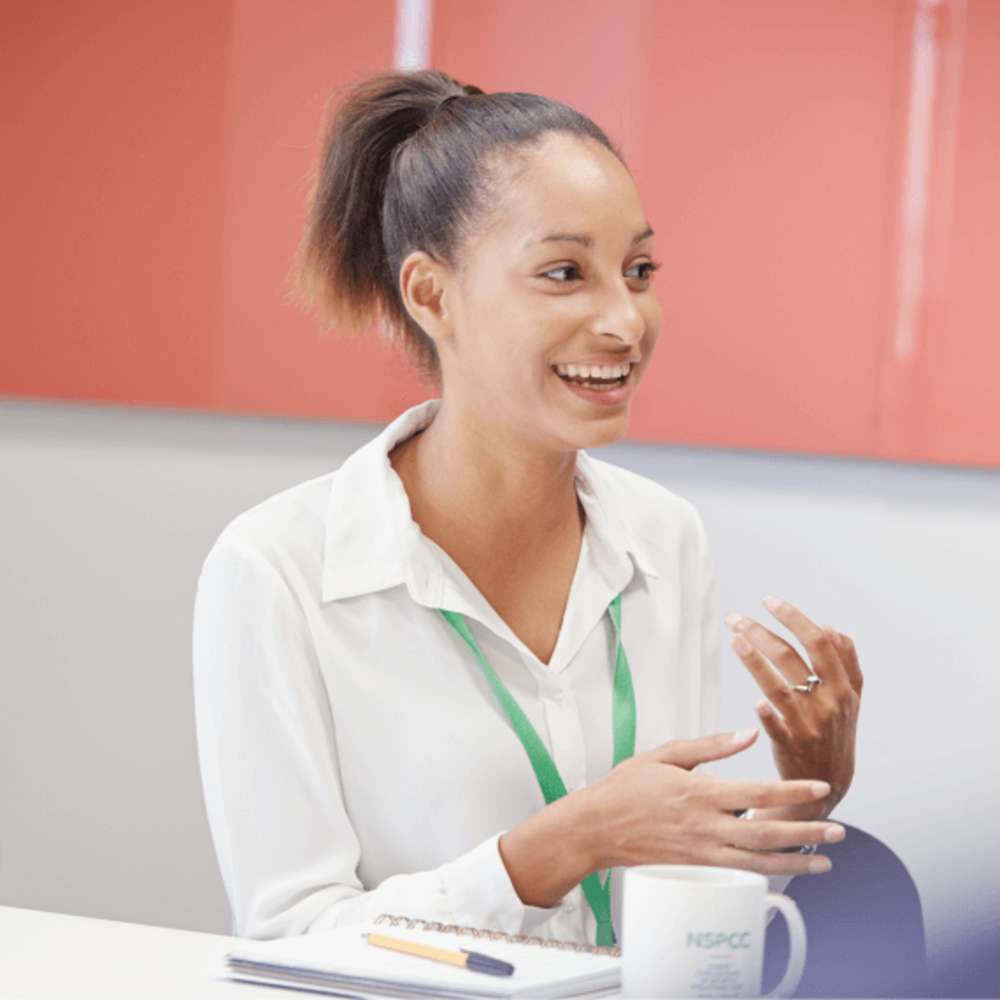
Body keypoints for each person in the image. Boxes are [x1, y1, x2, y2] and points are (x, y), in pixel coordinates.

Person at [193, 69, 862, 945]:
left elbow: (682, 888)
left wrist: (808, 780)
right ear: (432, 295)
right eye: (563, 273)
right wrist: (565, 843)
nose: (626, 320)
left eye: (639, 270)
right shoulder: (277, 568)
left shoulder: (665, 536)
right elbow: (292, 939)